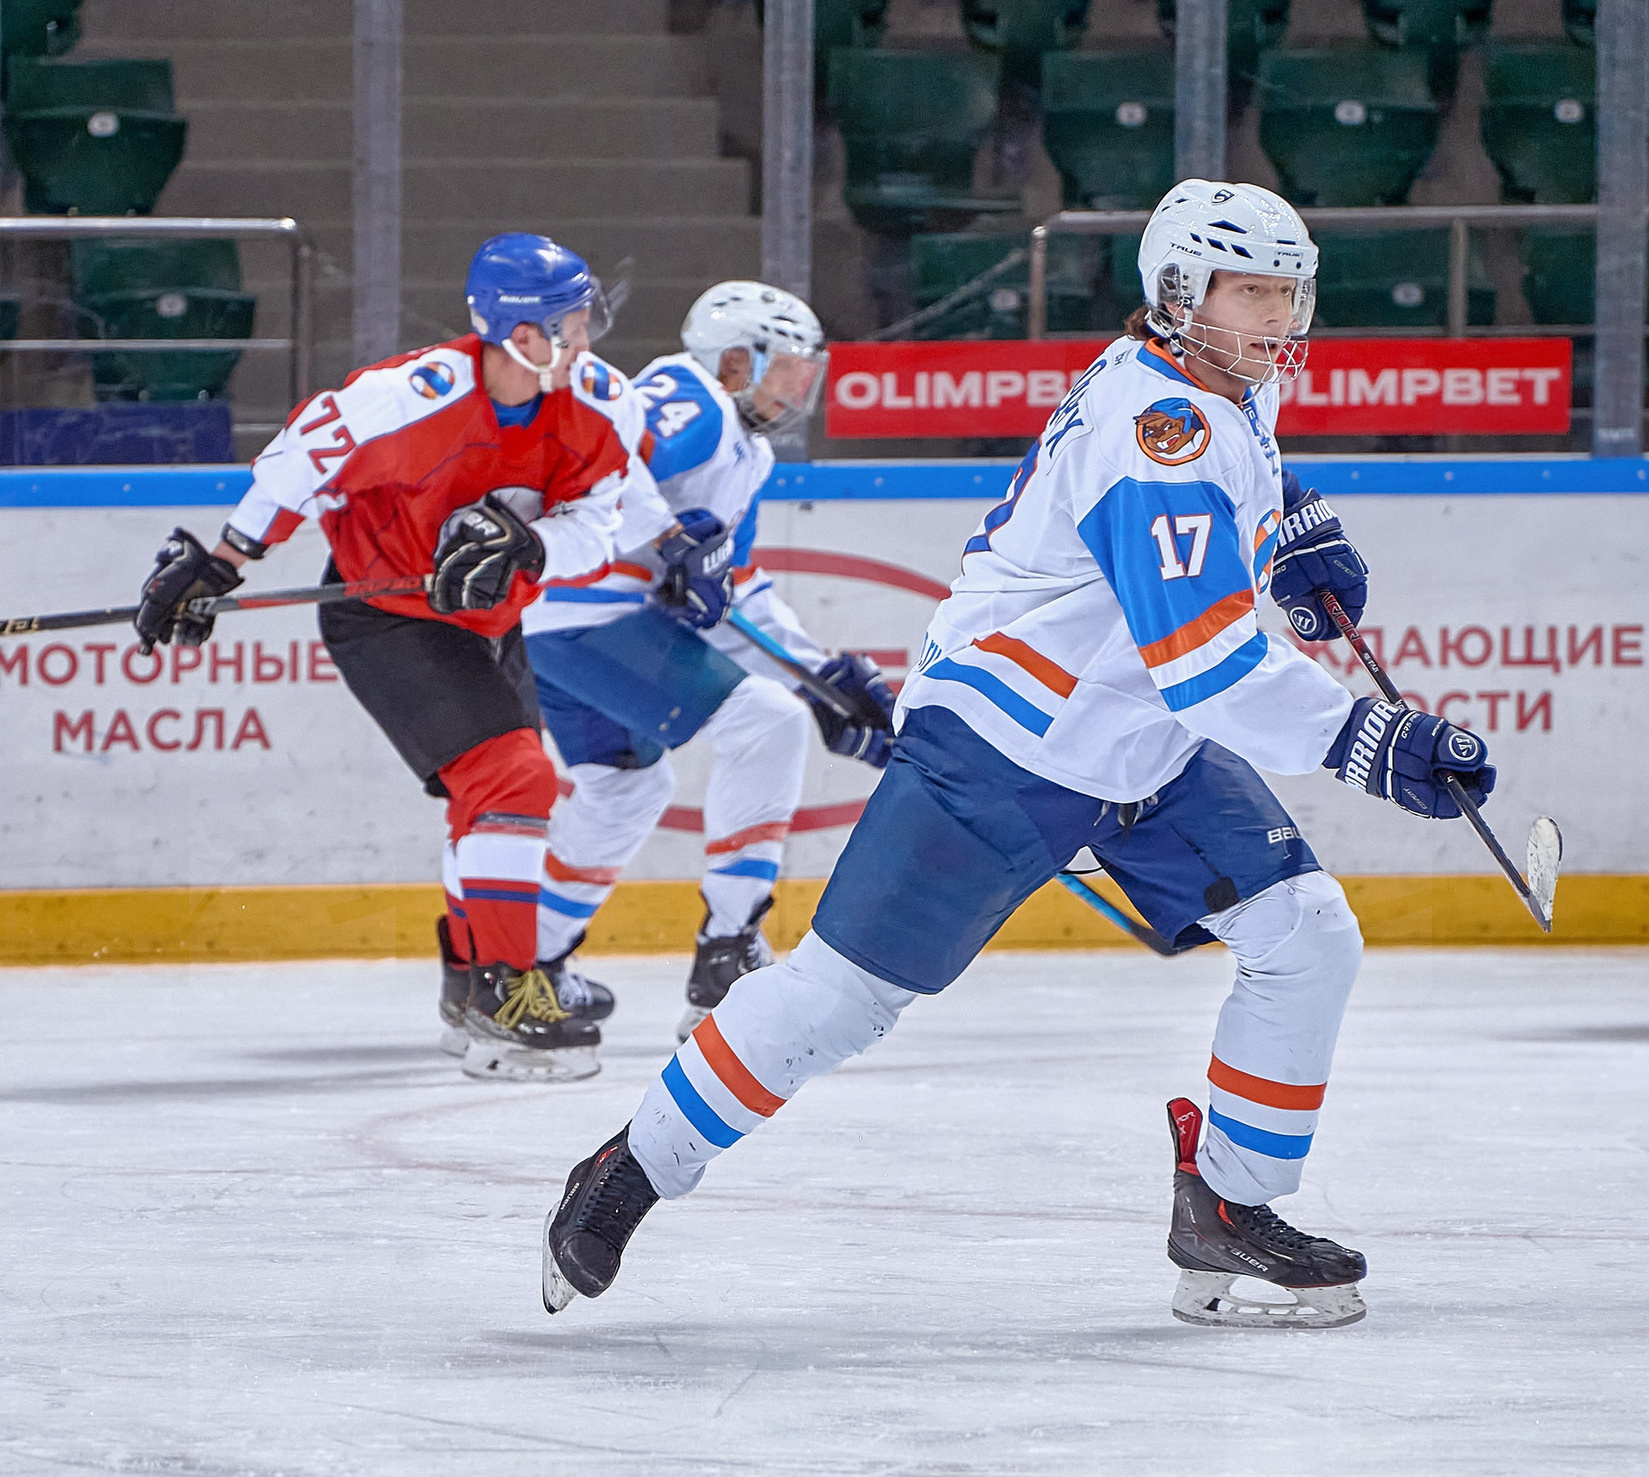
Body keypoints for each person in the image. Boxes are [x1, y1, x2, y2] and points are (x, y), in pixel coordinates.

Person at [536, 179, 1499, 1330]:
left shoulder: (1213, 373)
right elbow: (1208, 668)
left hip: (1136, 741)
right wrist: (1368, 739)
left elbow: (1233, 496)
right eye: (1254, 293)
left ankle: (1229, 1210)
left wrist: (1291, 522)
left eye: (1291, 294)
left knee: (1304, 936)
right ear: (1181, 291)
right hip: (1004, 748)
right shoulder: (1160, 437)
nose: (1280, 320)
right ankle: (628, 1171)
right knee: (838, 1000)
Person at [131, 232, 632, 1083]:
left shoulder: (599, 405)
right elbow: (298, 462)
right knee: (514, 780)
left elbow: (601, 523)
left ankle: (472, 985)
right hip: (387, 616)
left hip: (490, 624)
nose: (582, 345)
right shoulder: (407, 399)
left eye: (584, 324)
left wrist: (533, 547)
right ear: (514, 333)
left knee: (491, 799)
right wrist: (224, 560)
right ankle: (508, 994)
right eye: (564, 328)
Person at [521, 282, 897, 1041]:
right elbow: (597, 450)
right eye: (789, 366)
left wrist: (819, 673)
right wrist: (664, 538)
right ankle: (727, 951)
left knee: (625, 789)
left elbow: (734, 586)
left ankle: (522, 969)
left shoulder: (745, 452)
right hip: (586, 611)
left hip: (565, 629)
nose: (802, 387)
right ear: (734, 361)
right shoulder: (687, 398)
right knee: (770, 727)